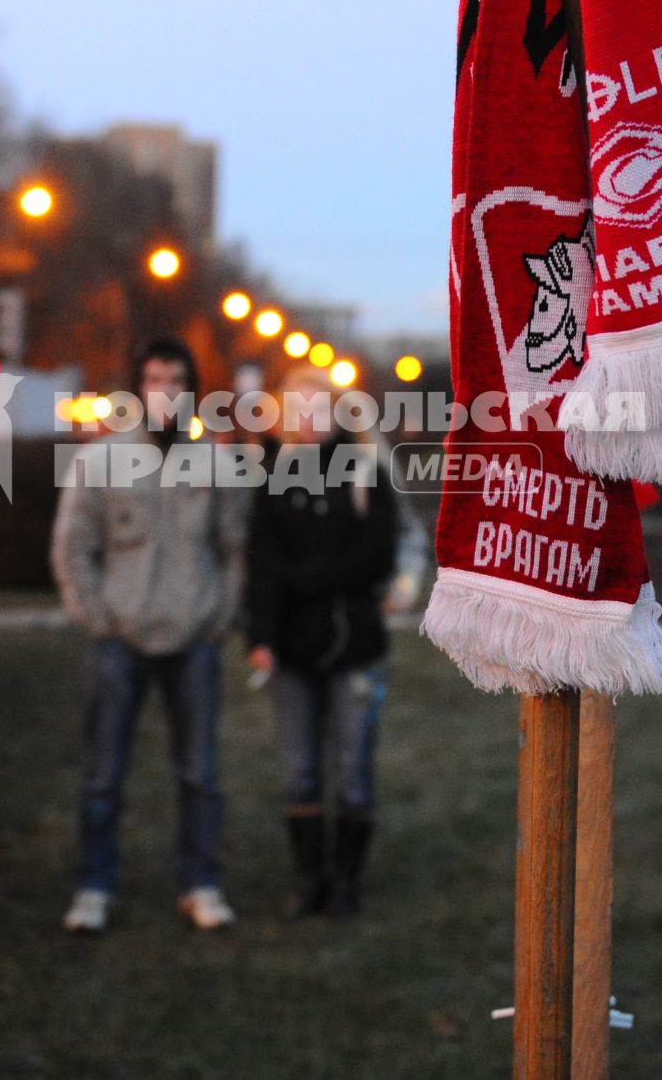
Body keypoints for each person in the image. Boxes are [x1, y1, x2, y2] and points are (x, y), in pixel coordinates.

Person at [50, 335, 247, 934]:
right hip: (121, 640)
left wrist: (221, 617)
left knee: (199, 775)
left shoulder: (217, 460)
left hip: (194, 640)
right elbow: (72, 546)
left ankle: (200, 883)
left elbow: (236, 548)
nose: (166, 391)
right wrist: (96, 617)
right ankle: (94, 886)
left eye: (176, 379)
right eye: (155, 379)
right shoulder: (100, 459)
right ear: (138, 388)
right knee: (104, 775)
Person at [246, 370, 398, 919]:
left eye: (320, 409)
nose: (310, 421)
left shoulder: (365, 473)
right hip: (289, 649)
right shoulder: (272, 477)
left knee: (354, 767)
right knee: (301, 769)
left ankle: (346, 884)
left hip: (354, 645)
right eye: (298, 409)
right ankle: (309, 881)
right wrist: (259, 635)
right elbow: (261, 562)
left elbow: (376, 557)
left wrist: (305, 578)